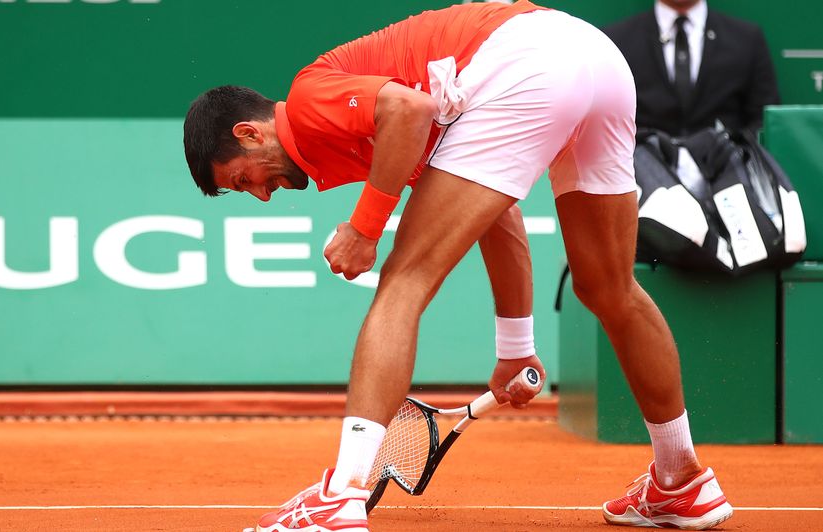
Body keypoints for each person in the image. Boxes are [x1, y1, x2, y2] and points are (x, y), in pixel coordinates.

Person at [183, 1, 732, 530]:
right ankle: (680, 478)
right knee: (610, 287)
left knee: (402, 283)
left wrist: (364, 229)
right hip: (598, 61)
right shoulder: (373, 130)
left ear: (249, 133)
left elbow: (409, 109)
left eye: (242, 179)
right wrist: (514, 349)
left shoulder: (308, 101)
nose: (260, 195)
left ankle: (341, 494)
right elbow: (502, 218)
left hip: (528, 60)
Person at [603, 0, 780, 137]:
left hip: (728, 174)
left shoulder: (746, 40)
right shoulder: (617, 42)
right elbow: (606, 123)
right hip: (643, 174)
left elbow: (764, 121)